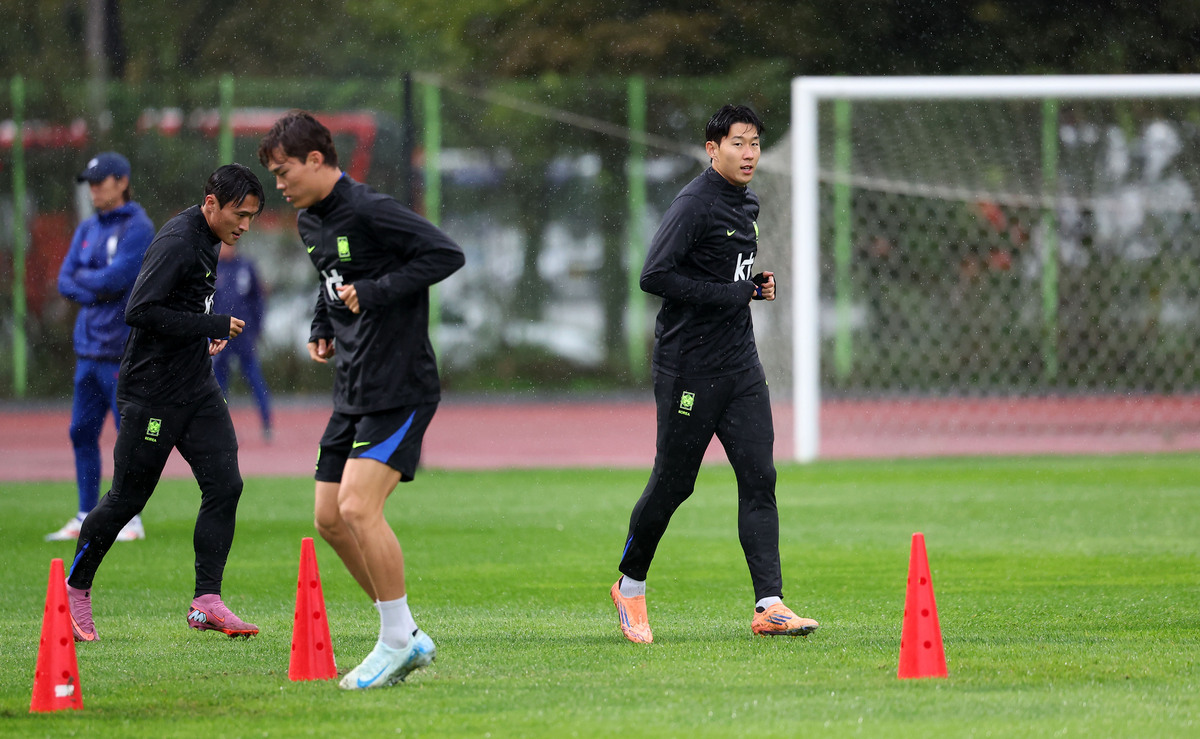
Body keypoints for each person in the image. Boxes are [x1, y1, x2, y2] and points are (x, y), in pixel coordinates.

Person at [258, 111, 465, 690]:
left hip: (399, 385)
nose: (280, 184)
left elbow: (445, 254)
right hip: (352, 386)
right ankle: (405, 632)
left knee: (357, 508)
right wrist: (322, 323)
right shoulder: (309, 221)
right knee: (329, 518)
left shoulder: (371, 208)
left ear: (316, 160)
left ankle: (397, 640)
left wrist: (374, 291)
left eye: (284, 171)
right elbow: (331, 278)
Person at [610, 105, 819, 643]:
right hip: (689, 368)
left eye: (755, 143)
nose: (749, 154)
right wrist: (733, 293)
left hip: (740, 365)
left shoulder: (746, 201)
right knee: (674, 483)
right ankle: (630, 587)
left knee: (759, 478)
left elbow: (727, 274)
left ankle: (769, 605)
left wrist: (754, 284)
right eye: (737, 143)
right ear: (712, 149)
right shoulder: (693, 204)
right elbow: (654, 276)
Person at [65, 164, 266, 643]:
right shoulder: (178, 240)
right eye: (240, 214)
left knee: (225, 485)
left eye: (252, 216)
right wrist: (210, 326)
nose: (245, 225)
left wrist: (204, 332)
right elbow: (140, 310)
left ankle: (206, 601)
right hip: (152, 394)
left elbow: (186, 303)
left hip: (196, 388)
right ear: (211, 204)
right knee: (127, 499)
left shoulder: (212, 237)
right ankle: (74, 591)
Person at [48, 152, 155, 543]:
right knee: (81, 432)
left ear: (122, 181)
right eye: (90, 183)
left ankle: (131, 519)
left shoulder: (138, 227)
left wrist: (88, 282)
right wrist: (95, 288)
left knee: (130, 439)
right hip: (89, 350)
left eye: (100, 181)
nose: (93, 189)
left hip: (122, 350)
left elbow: (117, 280)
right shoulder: (88, 227)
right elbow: (64, 280)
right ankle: (84, 514)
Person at [213, 241, 273, 440]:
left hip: (244, 335)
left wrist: (257, 328)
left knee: (254, 378)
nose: (226, 249)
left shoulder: (246, 266)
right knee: (218, 383)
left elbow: (258, 299)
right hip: (221, 334)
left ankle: (267, 423)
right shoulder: (213, 268)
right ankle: (220, 426)